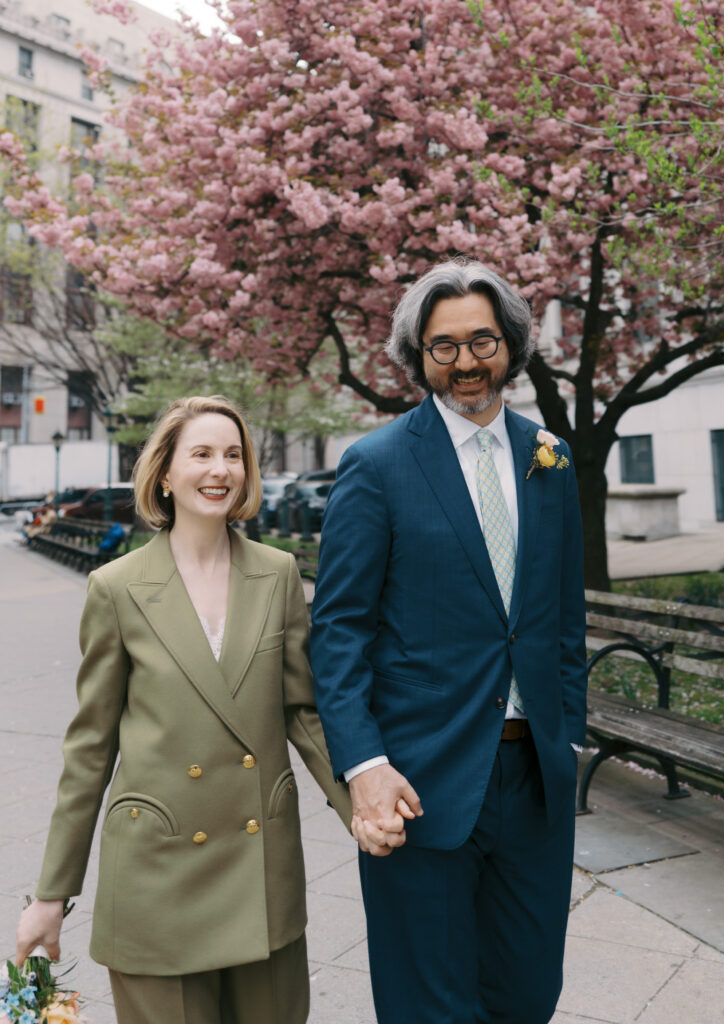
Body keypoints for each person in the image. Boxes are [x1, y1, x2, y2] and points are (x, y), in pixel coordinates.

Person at [310, 260, 587, 1024]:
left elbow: (565, 617)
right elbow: (337, 633)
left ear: (511, 345)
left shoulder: (550, 460)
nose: (466, 362)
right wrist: (364, 766)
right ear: (417, 355)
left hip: (535, 778)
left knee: (528, 994)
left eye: (481, 340)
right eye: (444, 346)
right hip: (420, 781)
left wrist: (570, 736)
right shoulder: (377, 464)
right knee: (427, 1002)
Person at [16, 395, 351, 1024]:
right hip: (157, 876)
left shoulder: (277, 574)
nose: (220, 469)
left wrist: (363, 807)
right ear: (165, 474)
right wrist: (51, 895)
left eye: (233, 455)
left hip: (260, 866)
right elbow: (90, 749)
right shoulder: (115, 588)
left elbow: (303, 711)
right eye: (201, 454)